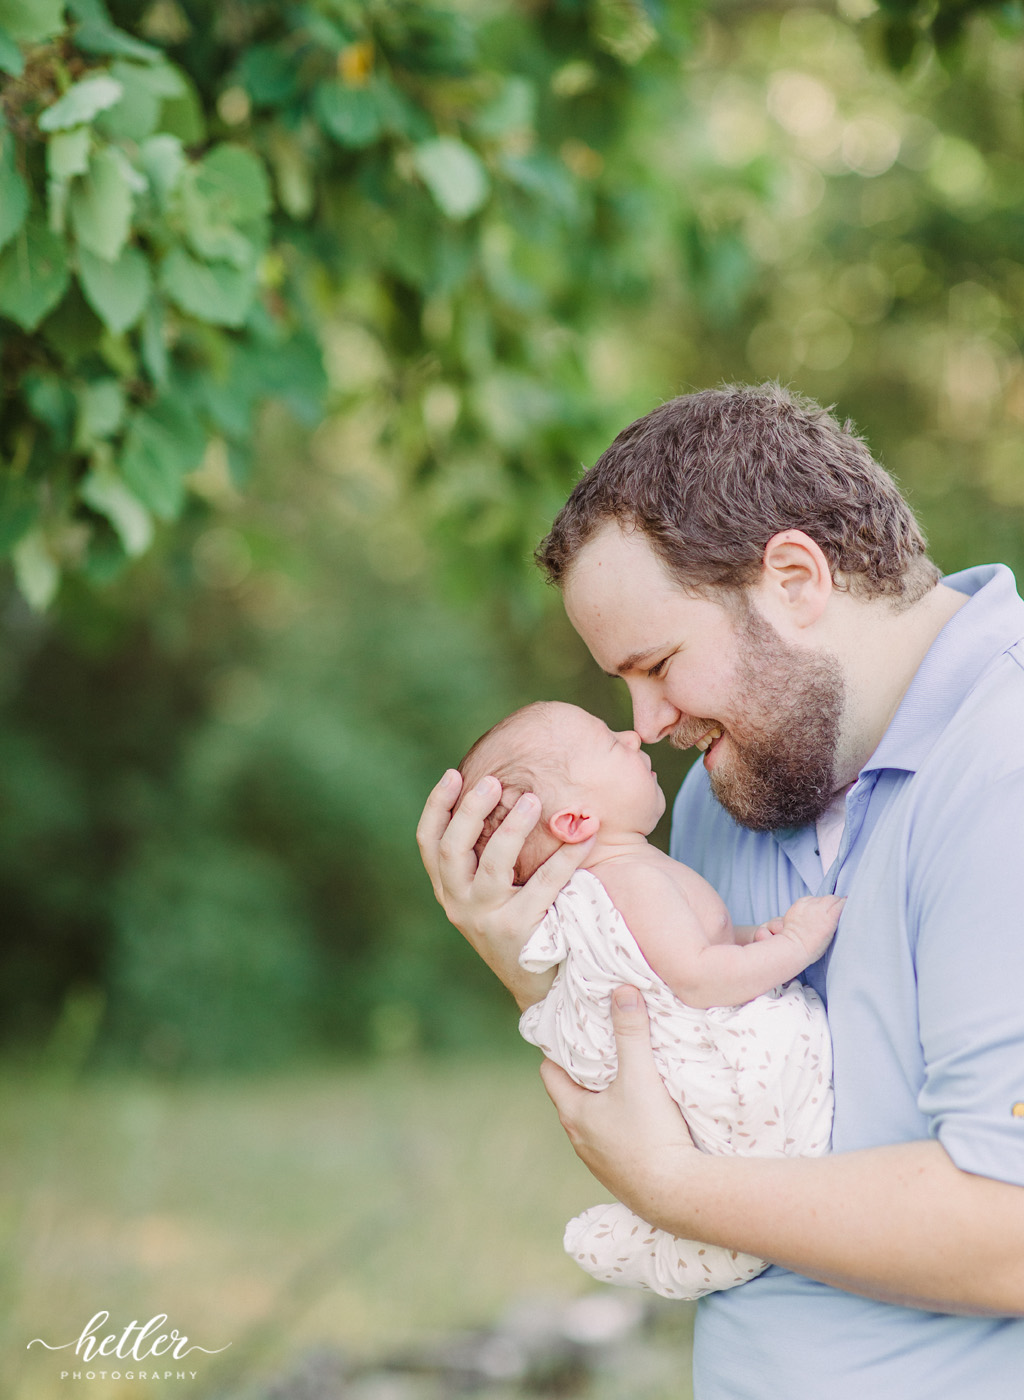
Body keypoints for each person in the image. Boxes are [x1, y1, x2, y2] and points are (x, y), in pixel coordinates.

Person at [417, 384, 1024, 1398]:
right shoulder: (721, 792)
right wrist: (540, 965)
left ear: (792, 577)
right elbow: (705, 1094)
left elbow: (1009, 1228)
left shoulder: (1004, 764)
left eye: (657, 664)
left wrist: (670, 1189)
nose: (647, 723)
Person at [456, 699, 839, 1299]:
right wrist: (794, 945)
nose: (634, 737)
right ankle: (686, 1238)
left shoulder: (629, 875)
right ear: (576, 822)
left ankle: (686, 1238)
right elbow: (697, 977)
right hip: (717, 1079)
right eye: (612, 743)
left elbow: (689, 949)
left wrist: (746, 938)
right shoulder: (629, 880)